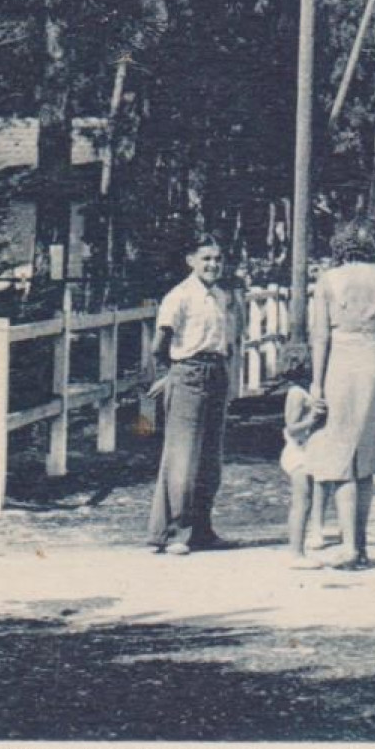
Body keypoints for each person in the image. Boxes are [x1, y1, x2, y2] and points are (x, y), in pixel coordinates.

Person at [301, 218, 375, 570]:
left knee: (341, 456)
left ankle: (348, 546)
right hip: (374, 361)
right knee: (366, 460)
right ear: (374, 244)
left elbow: (319, 336)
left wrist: (316, 383)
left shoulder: (329, 280)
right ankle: (360, 547)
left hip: (339, 364)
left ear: (339, 245)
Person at [146, 233, 240, 555]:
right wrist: (165, 376)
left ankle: (203, 529)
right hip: (188, 374)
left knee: (210, 459)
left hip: (216, 374)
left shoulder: (221, 296)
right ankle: (173, 532)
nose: (213, 264)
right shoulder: (179, 296)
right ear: (191, 261)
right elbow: (159, 345)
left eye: (218, 259)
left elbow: (227, 340)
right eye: (206, 258)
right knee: (182, 458)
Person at [278, 343, 327, 570]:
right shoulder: (297, 394)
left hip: (307, 451)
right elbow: (291, 427)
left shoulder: (308, 391)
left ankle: (300, 548)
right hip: (297, 452)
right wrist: (313, 419)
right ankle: (295, 552)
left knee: (307, 500)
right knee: (301, 501)